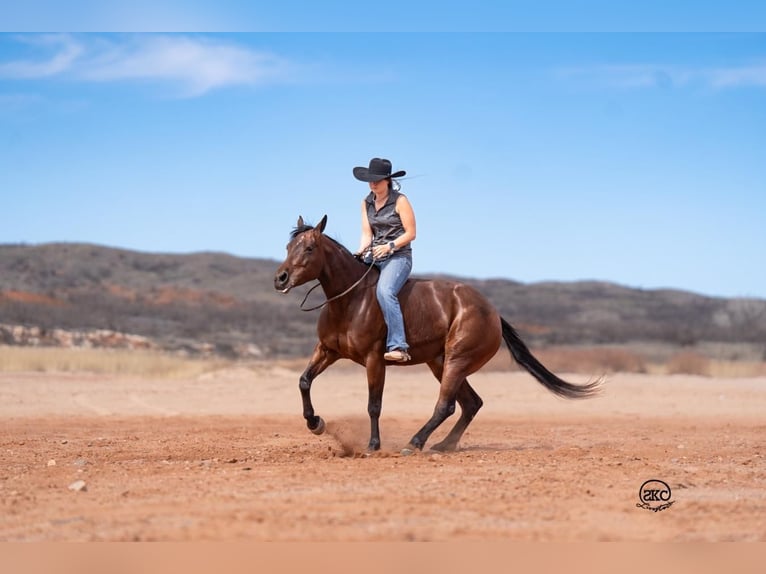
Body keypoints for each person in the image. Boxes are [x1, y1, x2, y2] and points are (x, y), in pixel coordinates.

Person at [353, 157, 416, 362]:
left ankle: (398, 345)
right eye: (370, 180)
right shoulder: (366, 202)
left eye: (377, 180)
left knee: (384, 291)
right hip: (374, 255)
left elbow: (411, 233)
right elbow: (366, 234)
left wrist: (389, 246)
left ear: (388, 180)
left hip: (398, 256)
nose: (373, 183)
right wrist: (360, 251)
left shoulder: (400, 201)